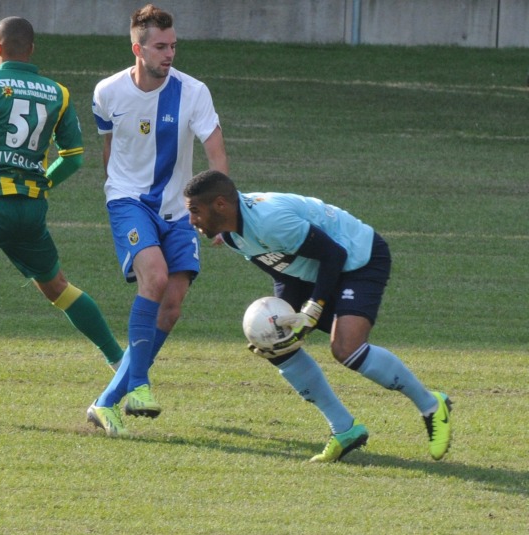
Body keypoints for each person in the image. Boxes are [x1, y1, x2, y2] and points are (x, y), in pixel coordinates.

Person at [183, 169, 452, 462]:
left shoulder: (270, 221)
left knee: (346, 348)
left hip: (360, 258)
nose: (191, 220)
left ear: (220, 204)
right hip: (316, 270)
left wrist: (313, 308)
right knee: (275, 341)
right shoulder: (234, 237)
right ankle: (344, 429)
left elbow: (334, 254)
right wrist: (282, 319)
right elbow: (284, 271)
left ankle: (431, 405)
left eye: (195, 211)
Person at [0, 16, 123, 393]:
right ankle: (120, 362)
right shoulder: (58, 93)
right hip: (30, 213)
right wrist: (40, 182)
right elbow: (75, 157)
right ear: (31, 50)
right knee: (58, 288)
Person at [88, 4, 228, 435]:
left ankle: (106, 401)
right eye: (161, 46)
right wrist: (114, 193)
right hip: (129, 200)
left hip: (180, 209)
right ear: (138, 48)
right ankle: (141, 383)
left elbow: (215, 152)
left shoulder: (194, 92)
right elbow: (109, 148)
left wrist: (222, 211)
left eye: (174, 46)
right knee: (154, 277)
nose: (170, 54)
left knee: (172, 305)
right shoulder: (107, 92)